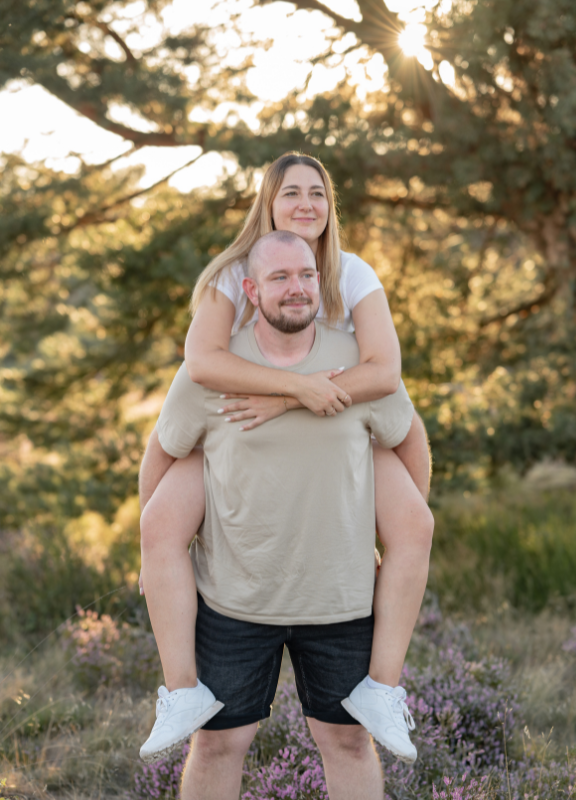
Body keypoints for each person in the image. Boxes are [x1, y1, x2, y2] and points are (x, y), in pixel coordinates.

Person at [139, 153, 434, 763]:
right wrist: (293, 389)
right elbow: (202, 365)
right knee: (158, 522)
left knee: (416, 524)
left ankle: (383, 687)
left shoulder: (350, 273)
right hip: (237, 430)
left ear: (331, 208)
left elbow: (384, 372)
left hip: (341, 415)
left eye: (318, 193)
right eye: (291, 192)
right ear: (267, 205)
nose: (306, 204)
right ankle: (179, 691)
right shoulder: (232, 273)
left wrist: (296, 399)